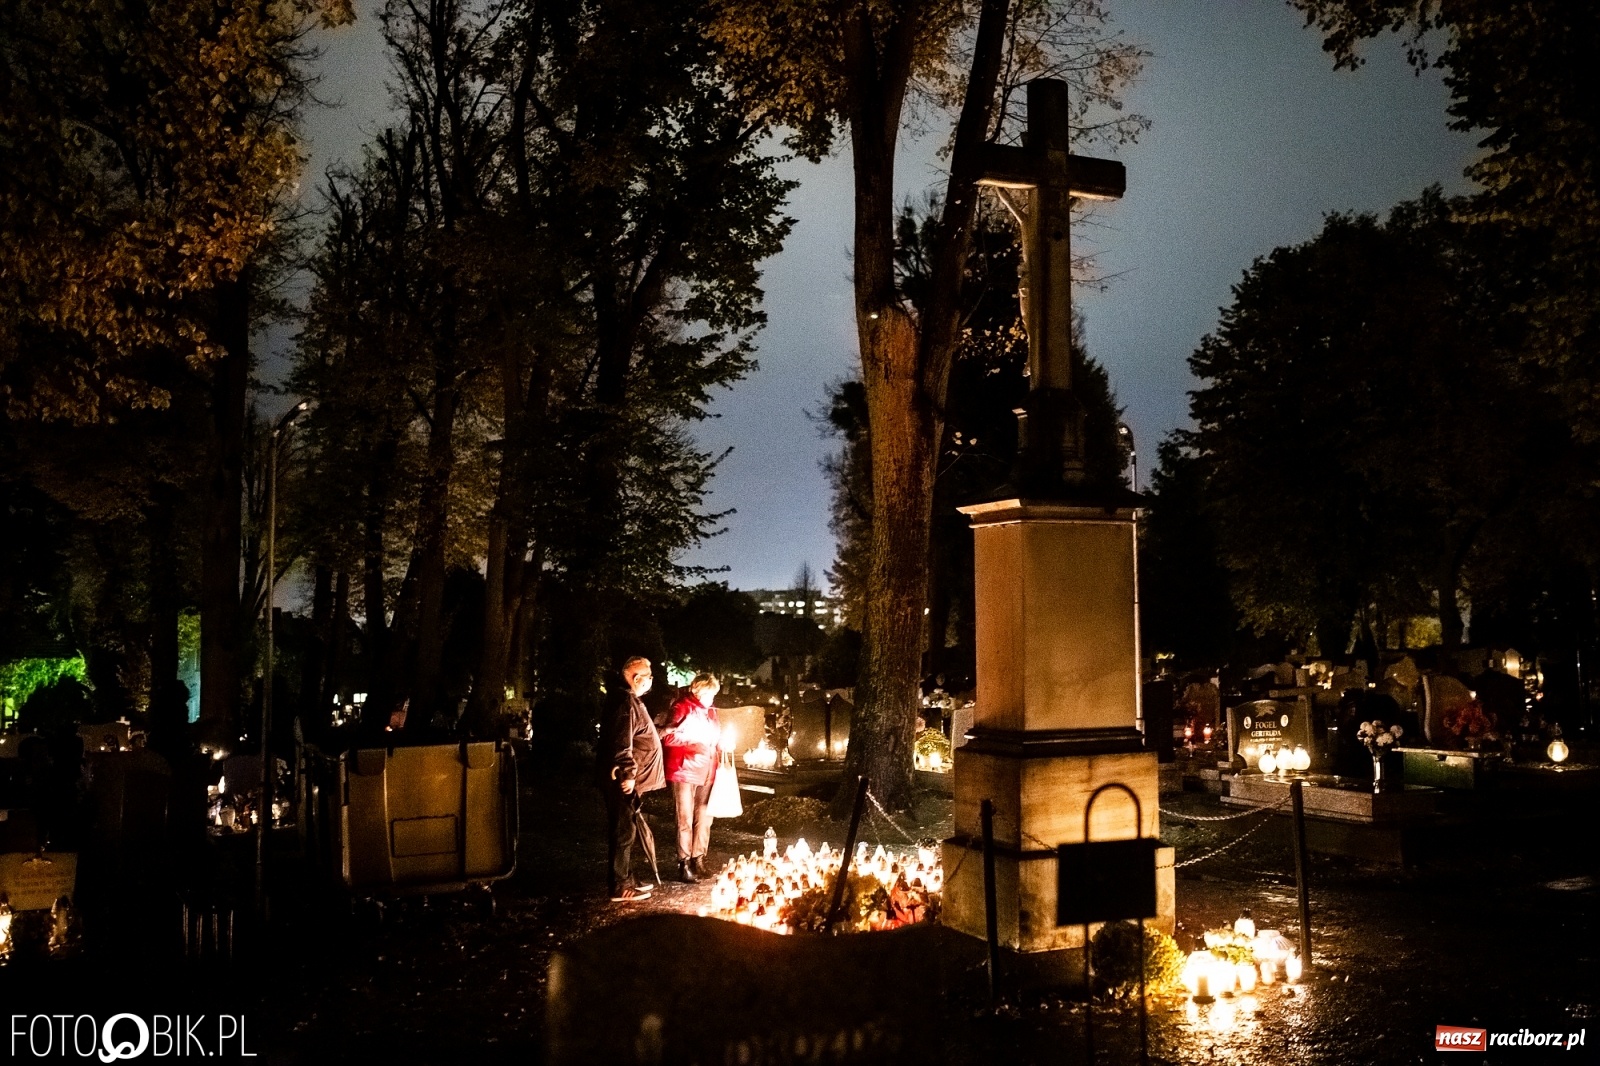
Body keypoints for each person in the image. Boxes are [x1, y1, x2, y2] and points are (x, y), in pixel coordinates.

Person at [599, 656, 664, 902]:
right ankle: (620, 885)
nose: (650, 681)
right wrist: (628, 774)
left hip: (631, 779)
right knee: (623, 830)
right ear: (636, 678)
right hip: (623, 780)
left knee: (629, 829)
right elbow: (621, 742)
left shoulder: (628, 699)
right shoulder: (625, 702)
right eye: (648, 677)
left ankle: (627, 876)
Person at [659, 673, 722, 882]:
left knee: (704, 816)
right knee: (684, 818)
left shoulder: (711, 711)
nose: (711, 698)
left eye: (713, 694)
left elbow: (716, 737)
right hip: (684, 770)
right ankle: (684, 862)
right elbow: (667, 736)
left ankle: (699, 859)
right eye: (707, 693)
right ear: (697, 690)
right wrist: (691, 736)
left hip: (708, 770)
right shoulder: (681, 707)